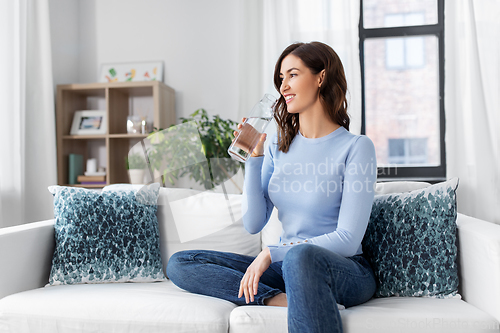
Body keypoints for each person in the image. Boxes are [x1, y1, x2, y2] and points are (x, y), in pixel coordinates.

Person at [167, 41, 377, 333]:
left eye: (292, 75)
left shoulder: (356, 147)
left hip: (342, 269)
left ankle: (304, 291)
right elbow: (254, 224)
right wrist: (253, 160)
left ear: (321, 77)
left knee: (300, 258)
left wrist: (271, 253)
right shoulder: (278, 146)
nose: (284, 87)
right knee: (182, 262)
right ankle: (280, 300)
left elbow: (348, 239)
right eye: (281, 79)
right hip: (287, 269)